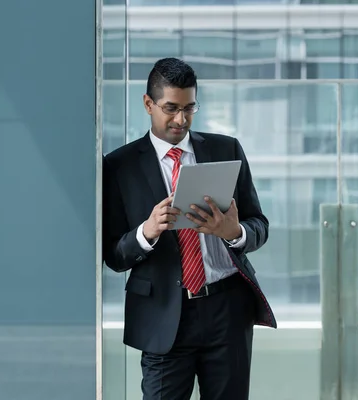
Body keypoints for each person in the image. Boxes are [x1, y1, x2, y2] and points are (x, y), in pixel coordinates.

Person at [102, 57, 277, 400]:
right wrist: (147, 232)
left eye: (189, 108)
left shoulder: (226, 149)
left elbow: (260, 225)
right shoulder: (118, 166)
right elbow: (114, 255)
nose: (181, 119)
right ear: (148, 103)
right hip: (164, 314)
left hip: (227, 310)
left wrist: (233, 232)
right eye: (170, 108)